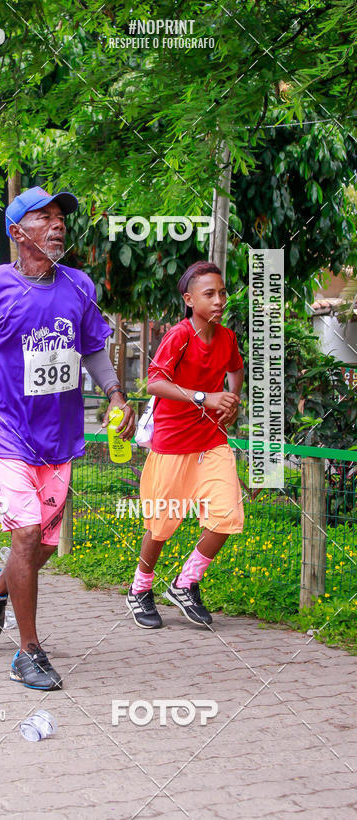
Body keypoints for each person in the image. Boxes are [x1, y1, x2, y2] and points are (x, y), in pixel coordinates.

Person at [0, 186, 135, 690]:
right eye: (43, 217)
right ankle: (28, 651)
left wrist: (114, 393)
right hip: (5, 434)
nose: (58, 225)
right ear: (16, 232)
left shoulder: (78, 286)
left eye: (60, 218)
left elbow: (92, 349)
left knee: (43, 545)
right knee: (25, 535)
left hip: (60, 436)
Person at [126, 261, 244, 629]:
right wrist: (205, 397)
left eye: (222, 293)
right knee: (161, 527)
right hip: (173, 445)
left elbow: (236, 368)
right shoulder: (179, 335)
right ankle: (139, 589)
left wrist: (232, 400)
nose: (219, 300)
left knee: (228, 517)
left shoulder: (225, 338)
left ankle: (186, 582)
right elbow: (155, 383)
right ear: (190, 299)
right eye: (210, 294)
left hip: (212, 442)